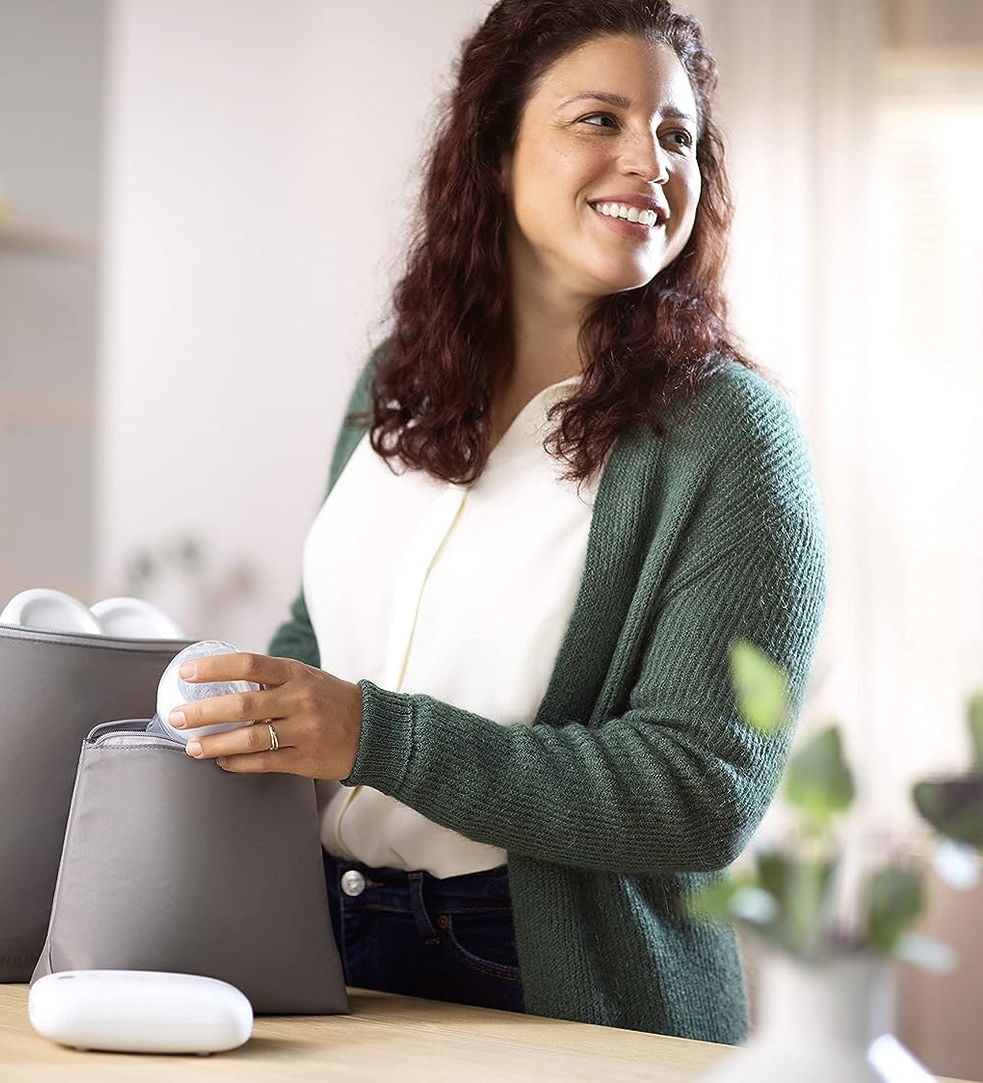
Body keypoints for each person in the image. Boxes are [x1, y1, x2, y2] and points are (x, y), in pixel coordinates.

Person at [163, 0, 826, 1045]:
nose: (647, 162)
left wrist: (372, 736)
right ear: (492, 150)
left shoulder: (728, 436)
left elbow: (702, 791)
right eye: (598, 119)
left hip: (534, 968)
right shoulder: (398, 378)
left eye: (674, 135)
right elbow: (320, 633)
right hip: (312, 934)